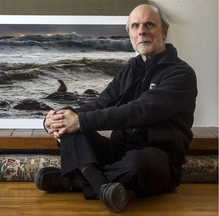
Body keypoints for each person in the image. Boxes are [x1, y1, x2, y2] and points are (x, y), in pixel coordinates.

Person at [34, 4, 197, 213]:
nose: (142, 31)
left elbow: (140, 111)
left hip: (158, 160)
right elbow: (101, 103)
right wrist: (57, 118)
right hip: (118, 152)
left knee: (136, 164)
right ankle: (103, 188)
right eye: (136, 26)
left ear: (164, 32)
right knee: (70, 118)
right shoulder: (131, 68)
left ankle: (74, 181)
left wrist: (81, 121)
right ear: (130, 34)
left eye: (149, 25)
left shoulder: (181, 74)